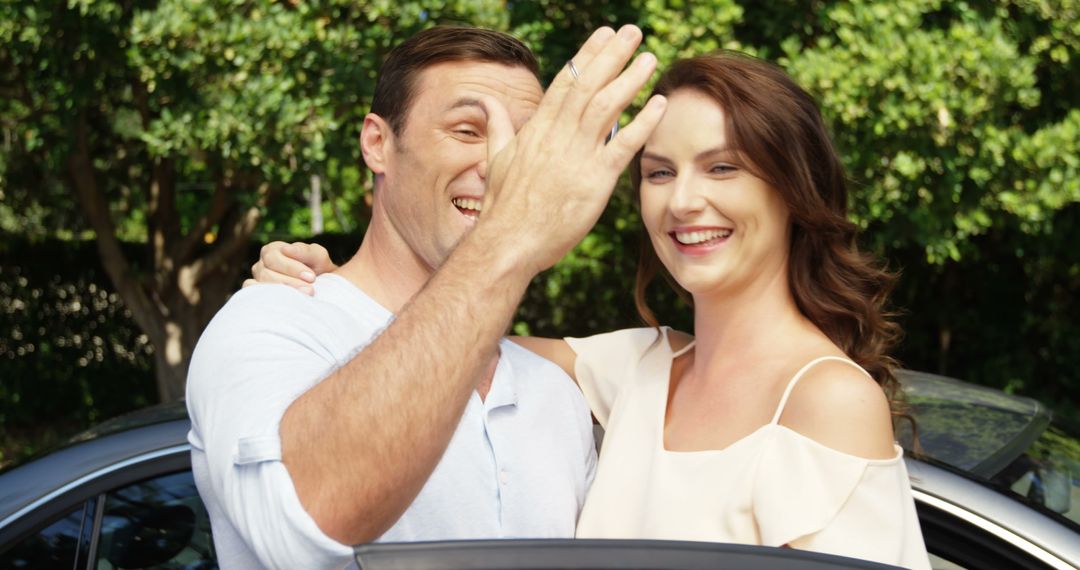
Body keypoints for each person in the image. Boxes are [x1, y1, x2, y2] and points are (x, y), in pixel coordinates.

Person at [254, 51, 931, 569]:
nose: (684, 201)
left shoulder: (828, 401)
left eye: (723, 168)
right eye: (660, 173)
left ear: (793, 189)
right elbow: (441, 336)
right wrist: (339, 282)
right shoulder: (637, 366)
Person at [186, 24, 667, 569]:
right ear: (377, 144)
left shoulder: (553, 395)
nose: (504, 164)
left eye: (525, 143)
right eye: (466, 130)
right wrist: (507, 234)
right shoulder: (271, 323)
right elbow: (301, 532)